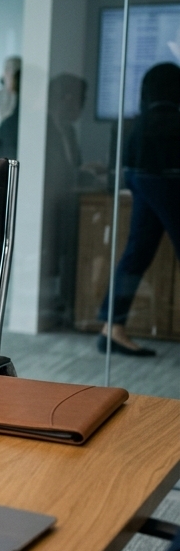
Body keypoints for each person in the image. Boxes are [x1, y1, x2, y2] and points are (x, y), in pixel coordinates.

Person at [95, 62, 180, 357]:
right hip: (165, 177)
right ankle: (111, 325)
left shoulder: (144, 118)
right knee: (137, 252)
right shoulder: (171, 117)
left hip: (142, 175)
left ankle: (111, 326)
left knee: (137, 252)